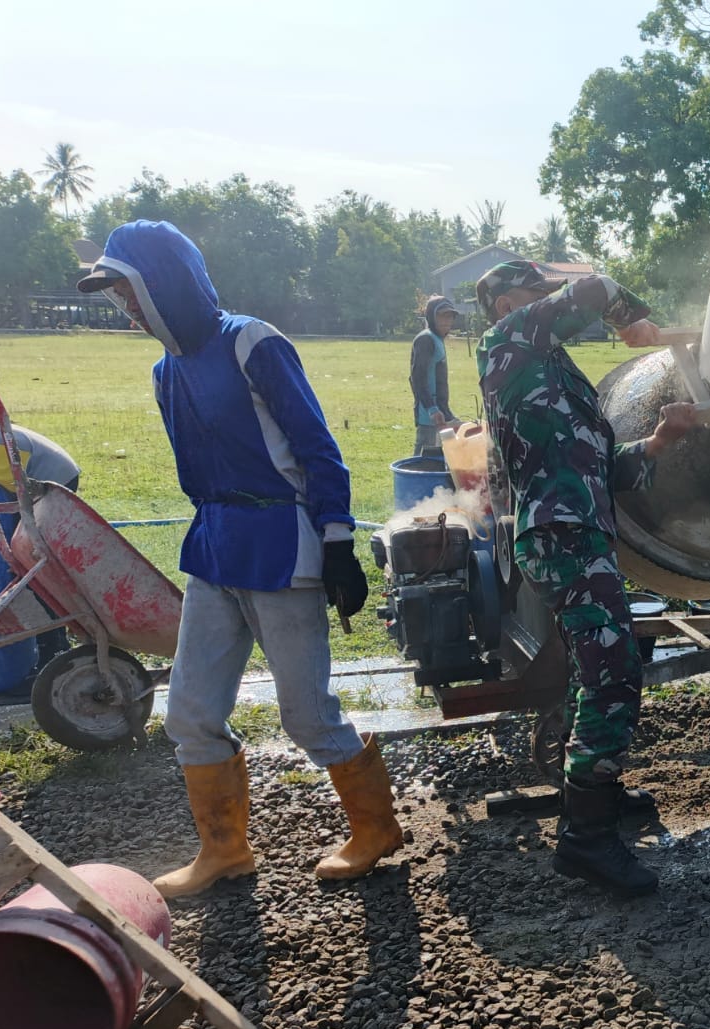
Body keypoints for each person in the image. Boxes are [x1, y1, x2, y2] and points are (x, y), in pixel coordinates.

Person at [77, 220, 404, 896]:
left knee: (307, 714)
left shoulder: (252, 341)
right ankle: (223, 850)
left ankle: (376, 828)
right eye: (117, 296)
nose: (126, 308)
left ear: (165, 283)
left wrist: (338, 542)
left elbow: (317, 446)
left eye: (130, 291)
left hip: (281, 545)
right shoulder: (164, 370)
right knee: (190, 712)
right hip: (213, 547)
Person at [475, 259, 694, 896]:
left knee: (591, 671)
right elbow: (596, 288)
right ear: (506, 303)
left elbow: (600, 465)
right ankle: (587, 839)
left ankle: (594, 799)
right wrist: (633, 320)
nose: (552, 301)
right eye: (537, 292)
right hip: (561, 533)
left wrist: (660, 440)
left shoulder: (551, 368)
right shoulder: (508, 341)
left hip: (578, 530)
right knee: (615, 673)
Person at [0, 424, 81, 674]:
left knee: (29, 569)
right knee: (24, 568)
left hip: (51, 481)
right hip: (22, 480)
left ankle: (52, 649)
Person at [410, 295, 462, 454]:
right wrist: (432, 409)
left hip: (440, 413)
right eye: (442, 316)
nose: (447, 321)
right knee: (424, 461)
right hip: (430, 417)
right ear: (431, 317)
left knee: (445, 458)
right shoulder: (426, 340)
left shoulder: (436, 339)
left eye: (450, 316)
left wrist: (446, 413)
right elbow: (417, 378)